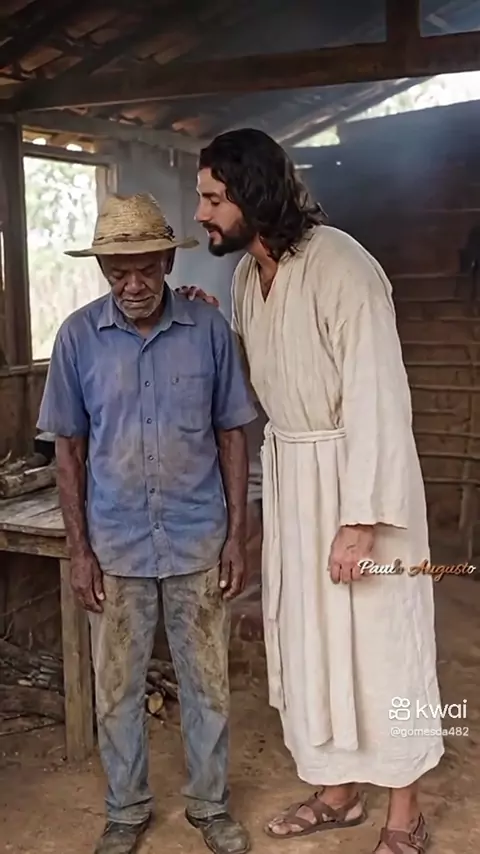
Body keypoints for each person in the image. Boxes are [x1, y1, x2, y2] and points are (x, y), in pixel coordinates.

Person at [179, 128, 445, 854]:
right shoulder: (247, 278)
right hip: (295, 475)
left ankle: (405, 814)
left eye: (212, 198)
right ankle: (338, 792)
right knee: (311, 642)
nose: (200, 213)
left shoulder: (343, 266)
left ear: (252, 193)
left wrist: (360, 520)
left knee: (382, 643)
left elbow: (378, 397)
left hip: (360, 479)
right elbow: (264, 372)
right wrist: (211, 323)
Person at [37, 192, 256, 854]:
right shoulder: (77, 337)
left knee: (207, 684)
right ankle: (126, 809)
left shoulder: (209, 330)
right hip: (117, 546)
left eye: (145, 269)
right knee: (117, 691)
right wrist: (79, 551)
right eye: (118, 271)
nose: (132, 285)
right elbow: (68, 452)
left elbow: (232, 436)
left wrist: (237, 536)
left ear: (167, 261)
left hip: (197, 540)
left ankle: (210, 805)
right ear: (102, 270)